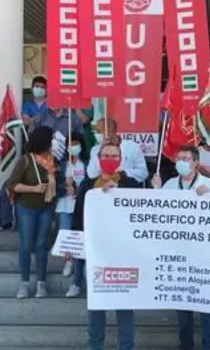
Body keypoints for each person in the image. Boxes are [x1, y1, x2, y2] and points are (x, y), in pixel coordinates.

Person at [152, 145, 210, 350]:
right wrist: (156, 191)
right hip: (179, 253)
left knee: (208, 305)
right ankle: (186, 345)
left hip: (205, 254)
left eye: (186, 158)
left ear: (196, 162)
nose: (181, 162)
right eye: (179, 158)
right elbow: (157, 214)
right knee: (182, 307)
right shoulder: (169, 185)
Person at [72, 142, 140, 350]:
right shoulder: (87, 185)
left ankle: (126, 346)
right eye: (106, 155)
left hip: (124, 255)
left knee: (125, 306)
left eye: (114, 156)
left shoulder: (131, 184)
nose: (110, 159)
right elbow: (78, 217)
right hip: (97, 254)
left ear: (120, 160)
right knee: (97, 305)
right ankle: (95, 345)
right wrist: (72, 246)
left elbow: (142, 214)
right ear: (98, 159)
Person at [8, 126, 57, 299]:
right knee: (26, 244)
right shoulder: (25, 160)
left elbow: (58, 183)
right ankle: (24, 283)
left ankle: (41, 282)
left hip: (47, 207)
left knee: (41, 244)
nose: (53, 143)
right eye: (51, 139)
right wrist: (34, 188)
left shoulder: (52, 160)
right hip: (26, 207)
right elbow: (12, 185)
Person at [57, 134, 87, 298]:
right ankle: (68, 261)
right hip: (65, 205)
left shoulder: (86, 163)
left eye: (76, 143)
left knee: (78, 239)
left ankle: (77, 273)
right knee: (66, 234)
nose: (74, 147)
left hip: (81, 206)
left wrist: (79, 191)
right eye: (71, 144)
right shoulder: (62, 165)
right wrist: (65, 188)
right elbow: (55, 183)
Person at [86, 117, 148, 183]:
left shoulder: (132, 147)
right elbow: (91, 174)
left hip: (125, 186)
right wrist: (101, 150)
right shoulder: (95, 149)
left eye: (98, 131)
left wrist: (122, 174)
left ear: (110, 132)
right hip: (103, 187)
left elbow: (143, 173)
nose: (96, 134)